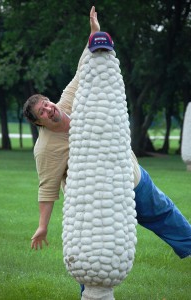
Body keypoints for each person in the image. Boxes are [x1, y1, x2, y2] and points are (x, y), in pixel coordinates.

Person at [23, 6, 191, 261]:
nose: (49, 109)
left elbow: (83, 69)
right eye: (42, 112)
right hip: (93, 203)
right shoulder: (45, 148)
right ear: (39, 123)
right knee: (92, 254)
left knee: (166, 213)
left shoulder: (67, 101)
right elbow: (47, 189)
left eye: (46, 103)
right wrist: (43, 226)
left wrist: (94, 32)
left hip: (129, 177)